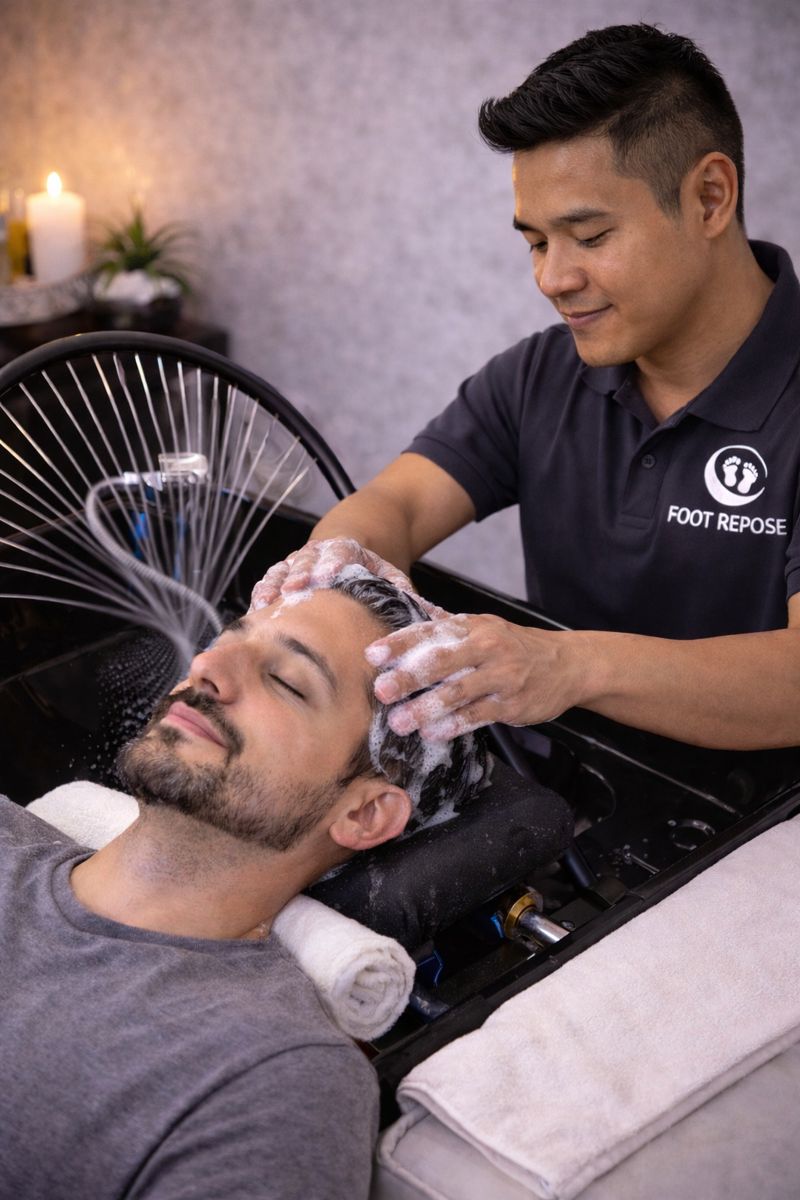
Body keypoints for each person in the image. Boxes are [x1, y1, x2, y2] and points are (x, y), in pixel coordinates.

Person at [256, 23, 800, 753]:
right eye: (537, 242)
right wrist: (338, 563)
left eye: (591, 236)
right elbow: (400, 503)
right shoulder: (543, 374)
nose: (552, 279)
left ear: (709, 197)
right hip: (572, 791)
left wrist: (567, 665)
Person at [0, 570, 486, 1200]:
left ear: (363, 813)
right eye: (226, 638)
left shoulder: (268, 1074)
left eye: (286, 681)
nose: (207, 666)